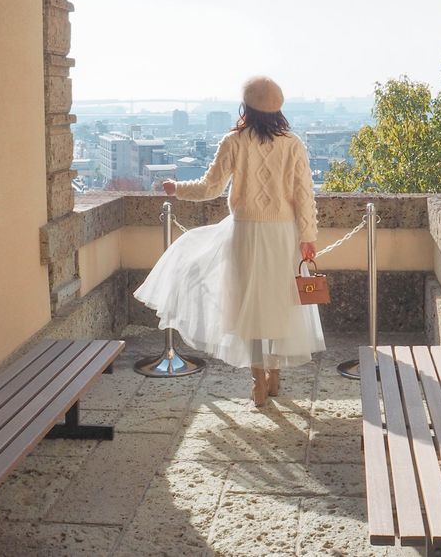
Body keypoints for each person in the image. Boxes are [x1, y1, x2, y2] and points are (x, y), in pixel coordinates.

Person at [133, 76, 325, 406]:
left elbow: (210, 187)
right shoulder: (293, 144)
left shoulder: (234, 141)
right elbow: (304, 196)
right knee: (280, 302)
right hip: (283, 234)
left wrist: (176, 188)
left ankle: (258, 382)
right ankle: (275, 374)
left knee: (248, 304)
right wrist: (308, 237)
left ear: (246, 106)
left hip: (246, 232)